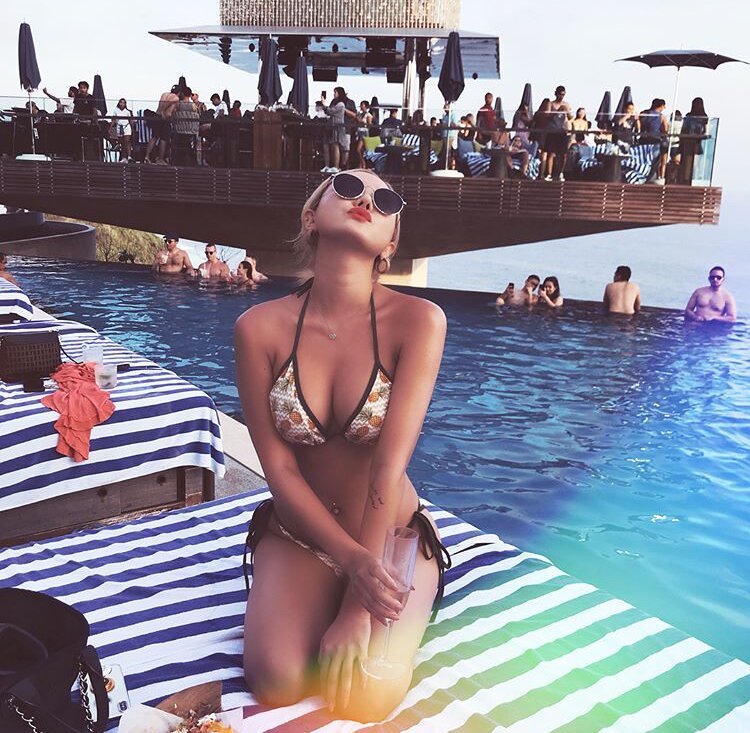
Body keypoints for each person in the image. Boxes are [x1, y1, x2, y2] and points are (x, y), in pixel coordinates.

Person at [235, 168, 450, 721]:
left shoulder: (418, 321)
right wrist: (349, 562)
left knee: (368, 699)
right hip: (301, 535)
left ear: (390, 245)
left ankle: (402, 582)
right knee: (277, 680)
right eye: (348, 188)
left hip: (386, 536)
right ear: (311, 216)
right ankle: (309, 594)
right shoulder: (258, 328)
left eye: (385, 200)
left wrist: (359, 601)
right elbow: (279, 470)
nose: (366, 201)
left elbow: (388, 467)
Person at [544, 86, 573, 180]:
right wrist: (557, 111)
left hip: (563, 131)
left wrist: (566, 110)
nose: (561, 96)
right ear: (556, 94)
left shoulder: (566, 104)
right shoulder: (550, 104)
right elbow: (546, 116)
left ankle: (560, 172)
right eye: (560, 94)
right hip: (552, 130)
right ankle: (549, 174)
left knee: (563, 154)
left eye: (563, 94)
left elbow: (570, 117)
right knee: (551, 152)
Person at [678, 97, 708, 185]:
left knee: (686, 163)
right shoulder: (704, 117)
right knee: (696, 164)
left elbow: (684, 129)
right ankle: (694, 179)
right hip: (697, 143)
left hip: (686, 143)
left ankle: (685, 179)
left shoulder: (688, 116)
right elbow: (705, 131)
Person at [146, 86, 179, 165]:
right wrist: (163, 111)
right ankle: (160, 159)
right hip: (164, 118)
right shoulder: (175, 98)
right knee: (163, 139)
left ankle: (146, 156)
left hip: (157, 116)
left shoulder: (164, 94)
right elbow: (167, 103)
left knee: (154, 137)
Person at [638, 98, 669, 184]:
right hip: (655, 140)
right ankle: (651, 178)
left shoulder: (644, 114)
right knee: (654, 161)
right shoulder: (661, 117)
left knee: (643, 160)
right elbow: (665, 130)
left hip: (643, 140)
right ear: (661, 106)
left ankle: (642, 177)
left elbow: (638, 126)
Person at [320, 87, 348, 173]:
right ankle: (328, 165)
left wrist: (324, 104)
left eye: (335, 92)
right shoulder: (336, 103)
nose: (334, 94)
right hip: (332, 127)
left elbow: (330, 111)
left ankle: (336, 166)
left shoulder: (341, 105)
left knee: (335, 145)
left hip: (337, 127)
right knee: (329, 146)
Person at [530, 99, 551, 179]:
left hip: (538, 136)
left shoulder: (538, 114)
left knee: (538, 154)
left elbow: (532, 123)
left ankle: (538, 173)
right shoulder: (549, 116)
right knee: (543, 155)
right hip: (544, 136)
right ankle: (541, 174)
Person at [353, 101, 373, 169]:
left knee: (358, 149)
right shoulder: (360, 114)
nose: (361, 106)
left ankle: (363, 162)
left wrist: (361, 122)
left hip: (364, 132)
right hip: (358, 132)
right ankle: (360, 164)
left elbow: (369, 125)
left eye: (362, 105)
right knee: (361, 150)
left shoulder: (368, 115)